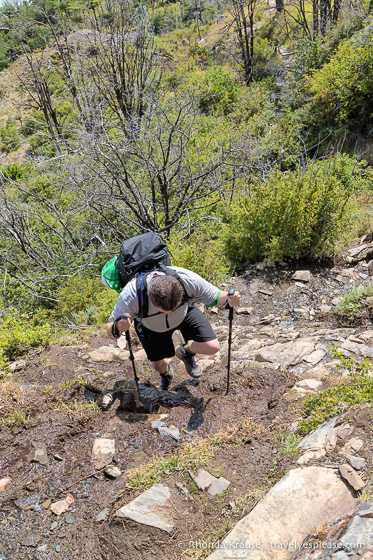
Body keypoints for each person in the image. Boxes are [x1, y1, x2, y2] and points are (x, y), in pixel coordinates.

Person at [106, 266, 241, 390]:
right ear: (150, 296)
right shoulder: (132, 295)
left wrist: (231, 298)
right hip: (150, 325)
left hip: (184, 314)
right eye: (163, 310)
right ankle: (166, 375)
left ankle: (186, 352)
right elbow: (109, 330)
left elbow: (218, 297)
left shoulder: (187, 280)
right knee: (158, 364)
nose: (168, 313)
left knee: (212, 347)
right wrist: (117, 328)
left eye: (172, 308)